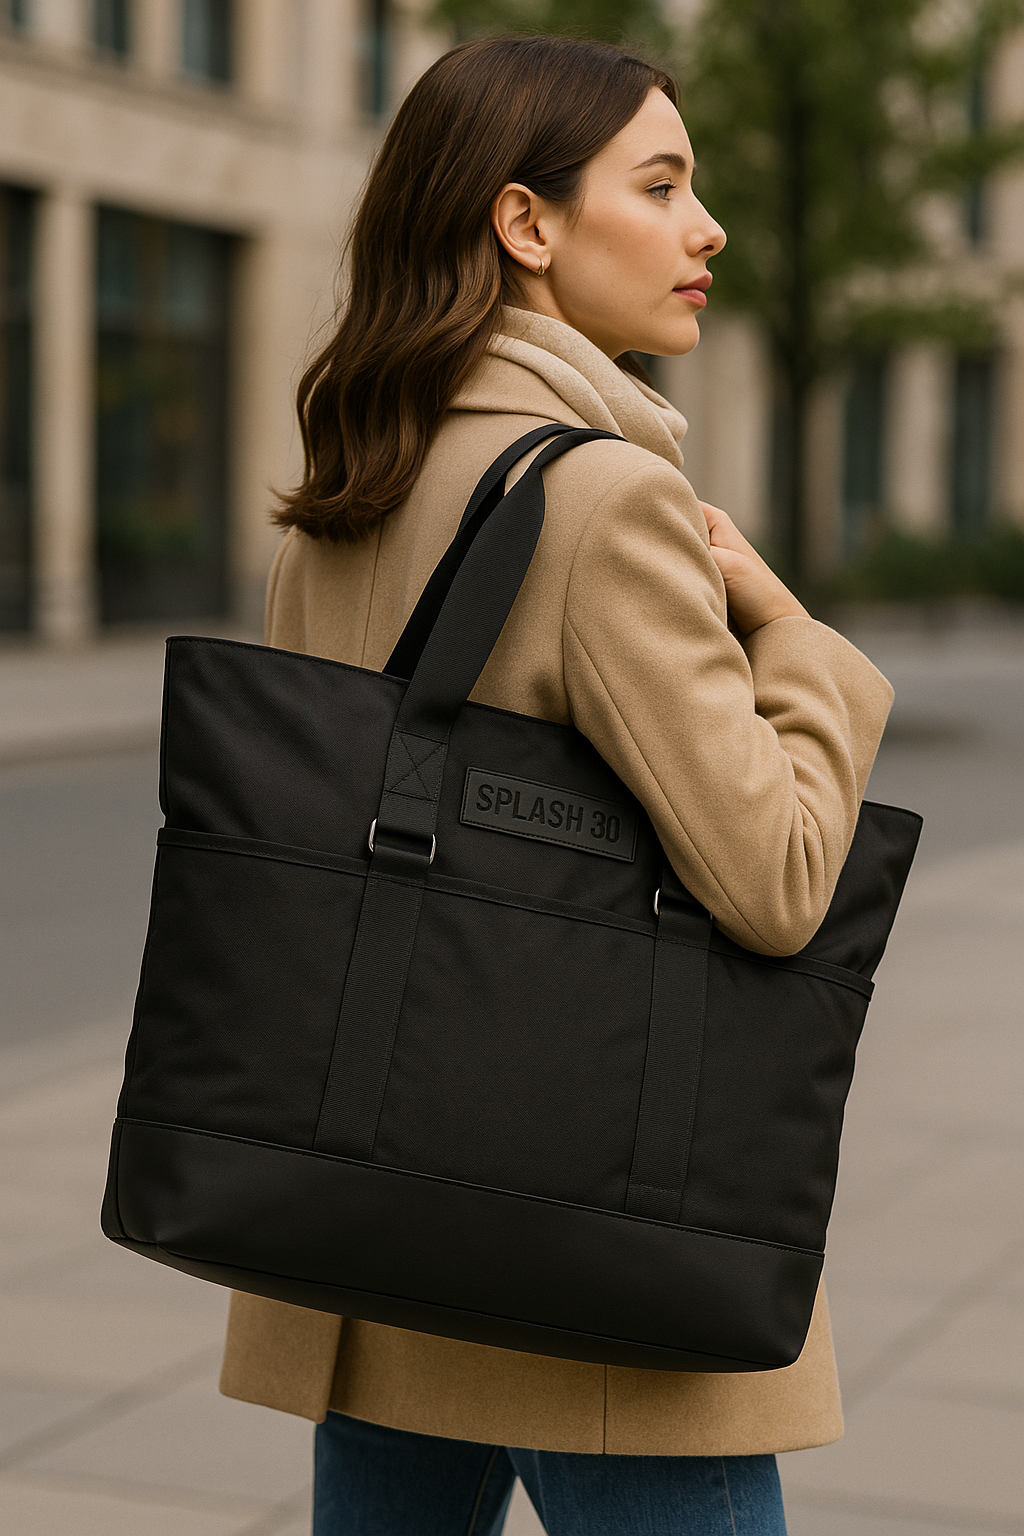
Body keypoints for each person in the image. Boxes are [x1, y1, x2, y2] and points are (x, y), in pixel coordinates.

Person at [219, 35, 893, 1535]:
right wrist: (796, 638)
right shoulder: (604, 500)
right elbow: (779, 880)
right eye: (661, 185)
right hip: (586, 1256)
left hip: (372, 1234)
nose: (708, 227)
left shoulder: (347, 490)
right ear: (526, 224)